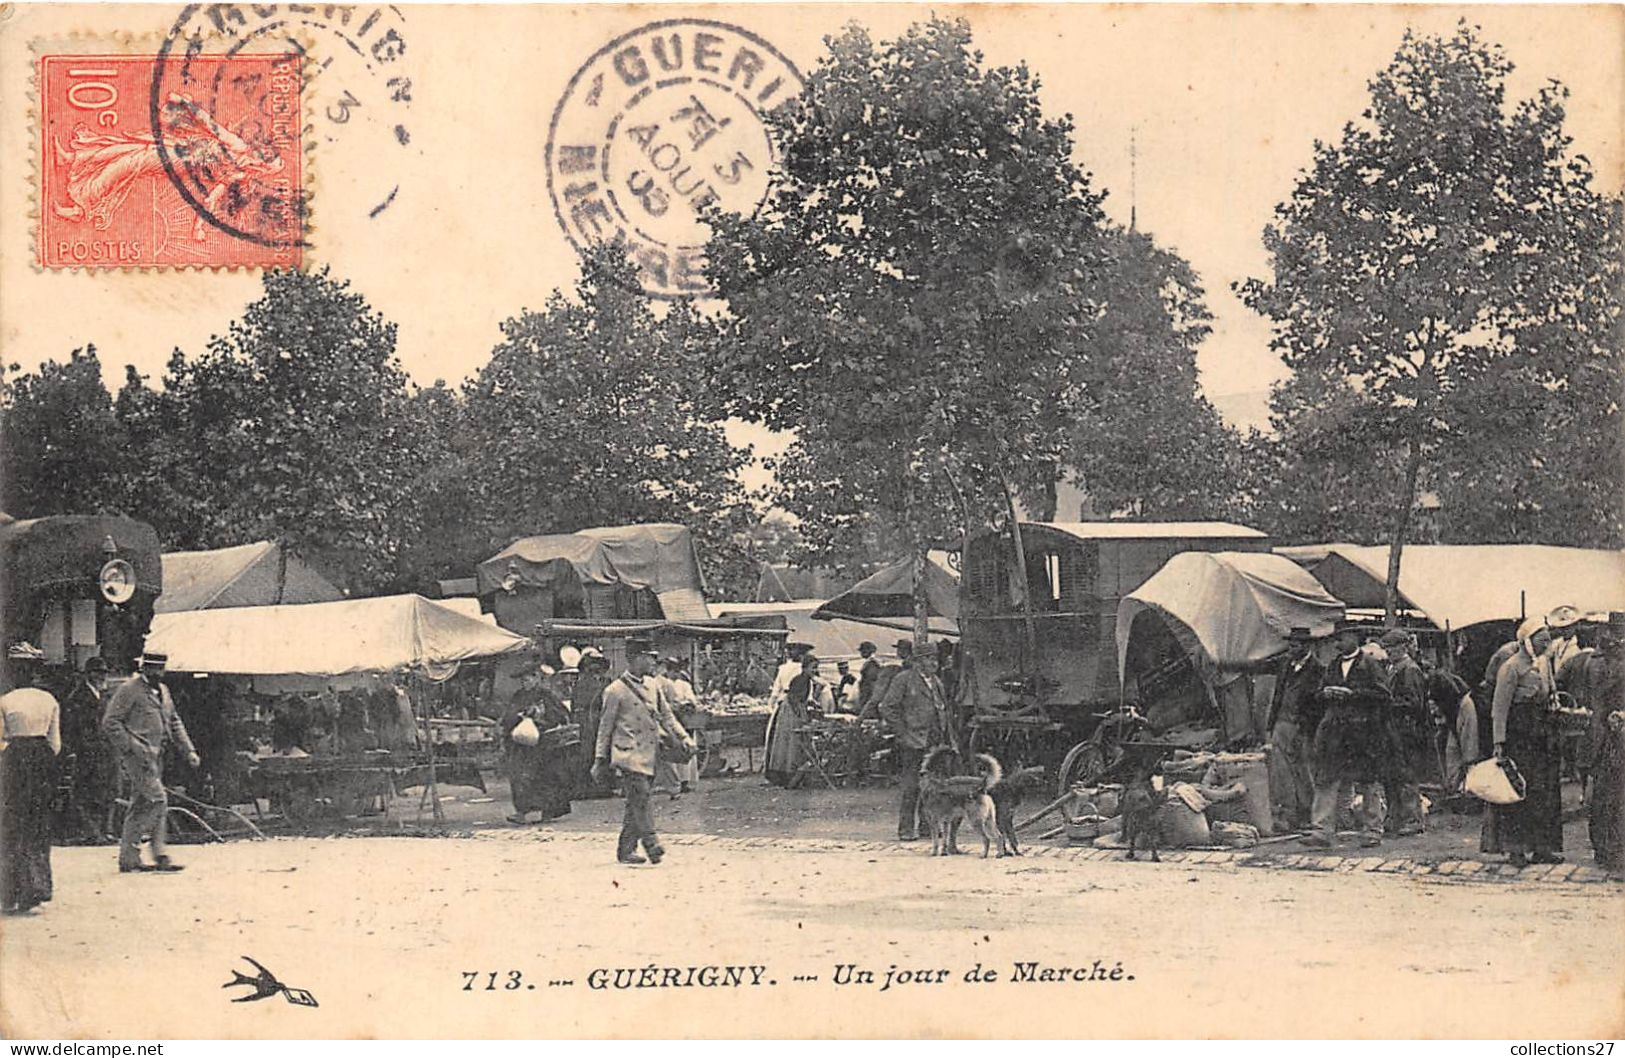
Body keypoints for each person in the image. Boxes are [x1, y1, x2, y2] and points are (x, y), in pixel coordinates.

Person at [591, 638, 693, 865]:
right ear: (635, 658)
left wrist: (684, 737)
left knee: (636, 801)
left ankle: (625, 849)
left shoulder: (653, 686)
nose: (653, 662)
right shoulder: (614, 691)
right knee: (642, 795)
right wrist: (599, 759)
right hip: (627, 754)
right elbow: (604, 729)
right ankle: (651, 843)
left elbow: (667, 716)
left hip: (650, 752)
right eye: (649, 657)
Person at [101, 652, 200, 874]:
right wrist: (131, 747)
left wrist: (189, 750)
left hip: (158, 757)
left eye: (160, 669)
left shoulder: (163, 691)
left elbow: (174, 722)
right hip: (138, 758)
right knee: (158, 800)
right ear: (144, 667)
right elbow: (111, 722)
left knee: (140, 805)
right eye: (152, 668)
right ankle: (146, 850)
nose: (157, 673)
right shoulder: (129, 689)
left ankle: (135, 859)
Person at [1305, 621, 1396, 849]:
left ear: (1355, 637)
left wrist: (1353, 694)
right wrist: (1325, 693)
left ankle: (1372, 830)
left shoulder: (1371, 664)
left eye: (1342, 638)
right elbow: (1317, 694)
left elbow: (1384, 695)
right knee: (1327, 779)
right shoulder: (1333, 665)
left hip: (1362, 732)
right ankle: (1322, 831)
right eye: (1336, 639)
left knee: (1368, 781)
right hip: (1335, 732)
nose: (1338, 643)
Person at [1492, 620, 1563, 867]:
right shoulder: (1510, 668)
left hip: (1541, 735)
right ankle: (1516, 849)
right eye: (1541, 640)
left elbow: (1551, 690)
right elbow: (1499, 708)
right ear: (1527, 641)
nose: (1547, 644)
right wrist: (1499, 742)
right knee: (1518, 792)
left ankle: (1542, 848)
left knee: (1543, 792)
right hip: (1518, 737)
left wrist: (1553, 701)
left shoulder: (1544, 664)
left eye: (1548, 639)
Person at [1, 644, 62, 914]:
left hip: (14, 760)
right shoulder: (48, 700)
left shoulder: (5, 700)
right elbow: (55, 743)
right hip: (41, 761)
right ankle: (36, 888)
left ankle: (11, 890)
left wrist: (12, 754)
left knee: (12, 824)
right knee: (38, 823)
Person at [879, 650, 949, 841]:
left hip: (933, 741)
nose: (933, 663)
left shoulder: (937, 682)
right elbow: (887, 707)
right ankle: (906, 829)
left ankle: (928, 827)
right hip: (913, 741)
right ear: (918, 662)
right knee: (911, 786)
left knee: (932, 786)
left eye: (935, 659)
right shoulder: (904, 680)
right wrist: (903, 733)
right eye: (929, 659)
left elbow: (943, 710)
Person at [1266, 626, 1324, 831]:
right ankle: (1287, 814)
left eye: (1295, 644)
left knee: (1303, 770)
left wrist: (1305, 727)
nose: (1291, 648)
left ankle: (1307, 814)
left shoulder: (1318, 670)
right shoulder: (1285, 665)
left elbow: (1317, 704)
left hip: (1302, 727)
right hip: (1281, 723)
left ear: (1306, 646)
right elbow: (1278, 694)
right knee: (1281, 771)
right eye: (1290, 644)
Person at [502, 665, 573, 824]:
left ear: (536, 678)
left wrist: (539, 717)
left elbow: (560, 715)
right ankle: (521, 812)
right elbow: (508, 716)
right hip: (521, 745)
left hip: (542, 744)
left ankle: (547, 811)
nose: (524, 683)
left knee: (545, 777)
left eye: (527, 679)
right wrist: (518, 719)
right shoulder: (518, 695)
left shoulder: (545, 695)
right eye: (522, 680)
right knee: (520, 777)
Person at [1581, 613, 1624, 871]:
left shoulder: (1592, 661)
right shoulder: (1604, 662)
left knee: (1605, 796)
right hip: (1610, 736)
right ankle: (1611, 850)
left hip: (1600, 736)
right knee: (1611, 797)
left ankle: (1605, 849)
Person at [1379, 628, 1429, 836]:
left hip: (1406, 729)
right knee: (1391, 775)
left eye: (1392, 647)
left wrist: (1387, 703)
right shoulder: (1393, 668)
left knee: (1406, 775)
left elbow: (1414, 703)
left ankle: (1412, 819)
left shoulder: (1409, 670)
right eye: (1387, 648)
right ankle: (1395, 817)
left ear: (1403, 647)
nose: (1389, 651)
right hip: (1393, 728)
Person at [61, 656, 115, 842]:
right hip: (88, 754)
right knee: (86, 792)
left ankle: (103, 831)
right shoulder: (78, 697)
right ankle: (91, 832)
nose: (101, 676)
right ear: (88, 674)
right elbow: (75, 729)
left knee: (104, 792)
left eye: (103, 673)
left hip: (105, 753)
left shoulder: (104, 696)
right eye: (97, 672)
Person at [766, 654, 821, 788]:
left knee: (792, 741)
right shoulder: (800, 679)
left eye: (816, 668)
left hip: (795, 708)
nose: (815, 671)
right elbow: (794, 699)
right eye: (813, 668)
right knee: (790, 741)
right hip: (790, 710)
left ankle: (792, 773)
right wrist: (801, 716)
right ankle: (788, 773)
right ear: (805, 667)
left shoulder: (806, 680)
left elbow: (803, 699)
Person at [652, 656, 700, 796]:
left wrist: (686, 704)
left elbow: (691, 700)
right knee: (670, 750)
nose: (674, 674)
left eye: (676, 671)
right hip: (668, 718)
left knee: (683, 748)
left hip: (681, 718)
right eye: (672, 671)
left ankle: (684, 780)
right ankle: (672, 782)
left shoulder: (683, 684)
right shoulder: (659, 682)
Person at [571, 649, 613, 797]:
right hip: (585, 721)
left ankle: (602, 786)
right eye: (591, 666)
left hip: (599, 718)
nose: (596, 670)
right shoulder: (582, 683)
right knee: (585, 753)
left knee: (602, 751)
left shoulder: (605, 683)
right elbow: (577, 703)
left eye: (598, 667)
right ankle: (585, 787)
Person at [856, 641, 883, 715]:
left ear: (867, 651)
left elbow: (871, 682)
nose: (861, 653)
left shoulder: (872, 665)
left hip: (868, 694)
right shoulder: (869, 663)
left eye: (862, 651)